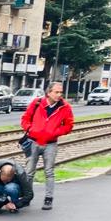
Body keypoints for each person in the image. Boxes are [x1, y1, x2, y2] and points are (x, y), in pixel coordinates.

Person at [21, 81, 74, 210]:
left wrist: (55, 132)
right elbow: (25, 119)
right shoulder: (37, 103)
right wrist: (31, 129)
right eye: (56, 92)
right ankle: (27, 197)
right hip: (33, 142)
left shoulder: (65, 107)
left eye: (60, 92)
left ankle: (48, 198)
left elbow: (69, 125)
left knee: (49, 172)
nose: (59, 95)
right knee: (29, 172)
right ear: (48, 92)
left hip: (50, 144)